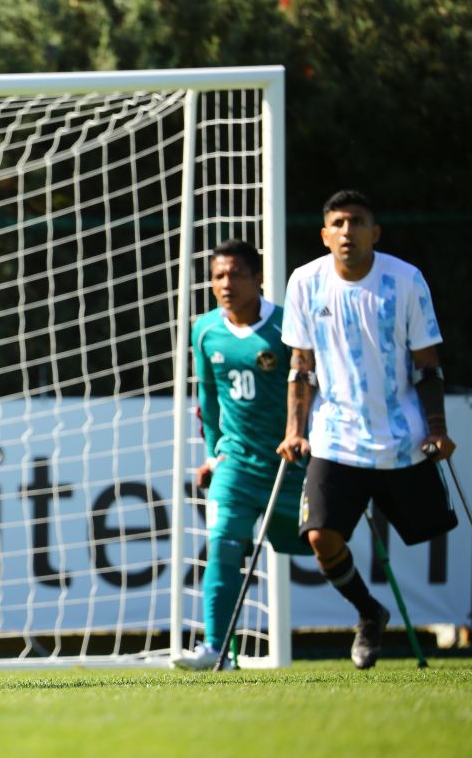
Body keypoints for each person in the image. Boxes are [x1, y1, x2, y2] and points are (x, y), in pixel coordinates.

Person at [277, 190, 456, 670]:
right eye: (337, 223)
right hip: (335, 437)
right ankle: (368, 611)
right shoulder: (305, 282)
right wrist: (296, 429)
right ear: (324, 235)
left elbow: (427, 363)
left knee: (432, 532)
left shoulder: (406, 280)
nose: (347, 231)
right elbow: (300, 366)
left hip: (401, 439)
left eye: (357, 222)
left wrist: (437, 428)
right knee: (319, 535)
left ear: (374, 232)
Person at [172, 239, 312, 670]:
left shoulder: (288, 327)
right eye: (217, 276)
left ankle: (367, 613)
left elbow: (310, 387)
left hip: (291, 463)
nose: (225, 283)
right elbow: (207, 398)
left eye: (235, 274)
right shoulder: (205, 330)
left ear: (258, 279)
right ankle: (216, 649)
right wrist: (215, 454)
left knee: (323, 545)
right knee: (223, 545)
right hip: (235, 461)